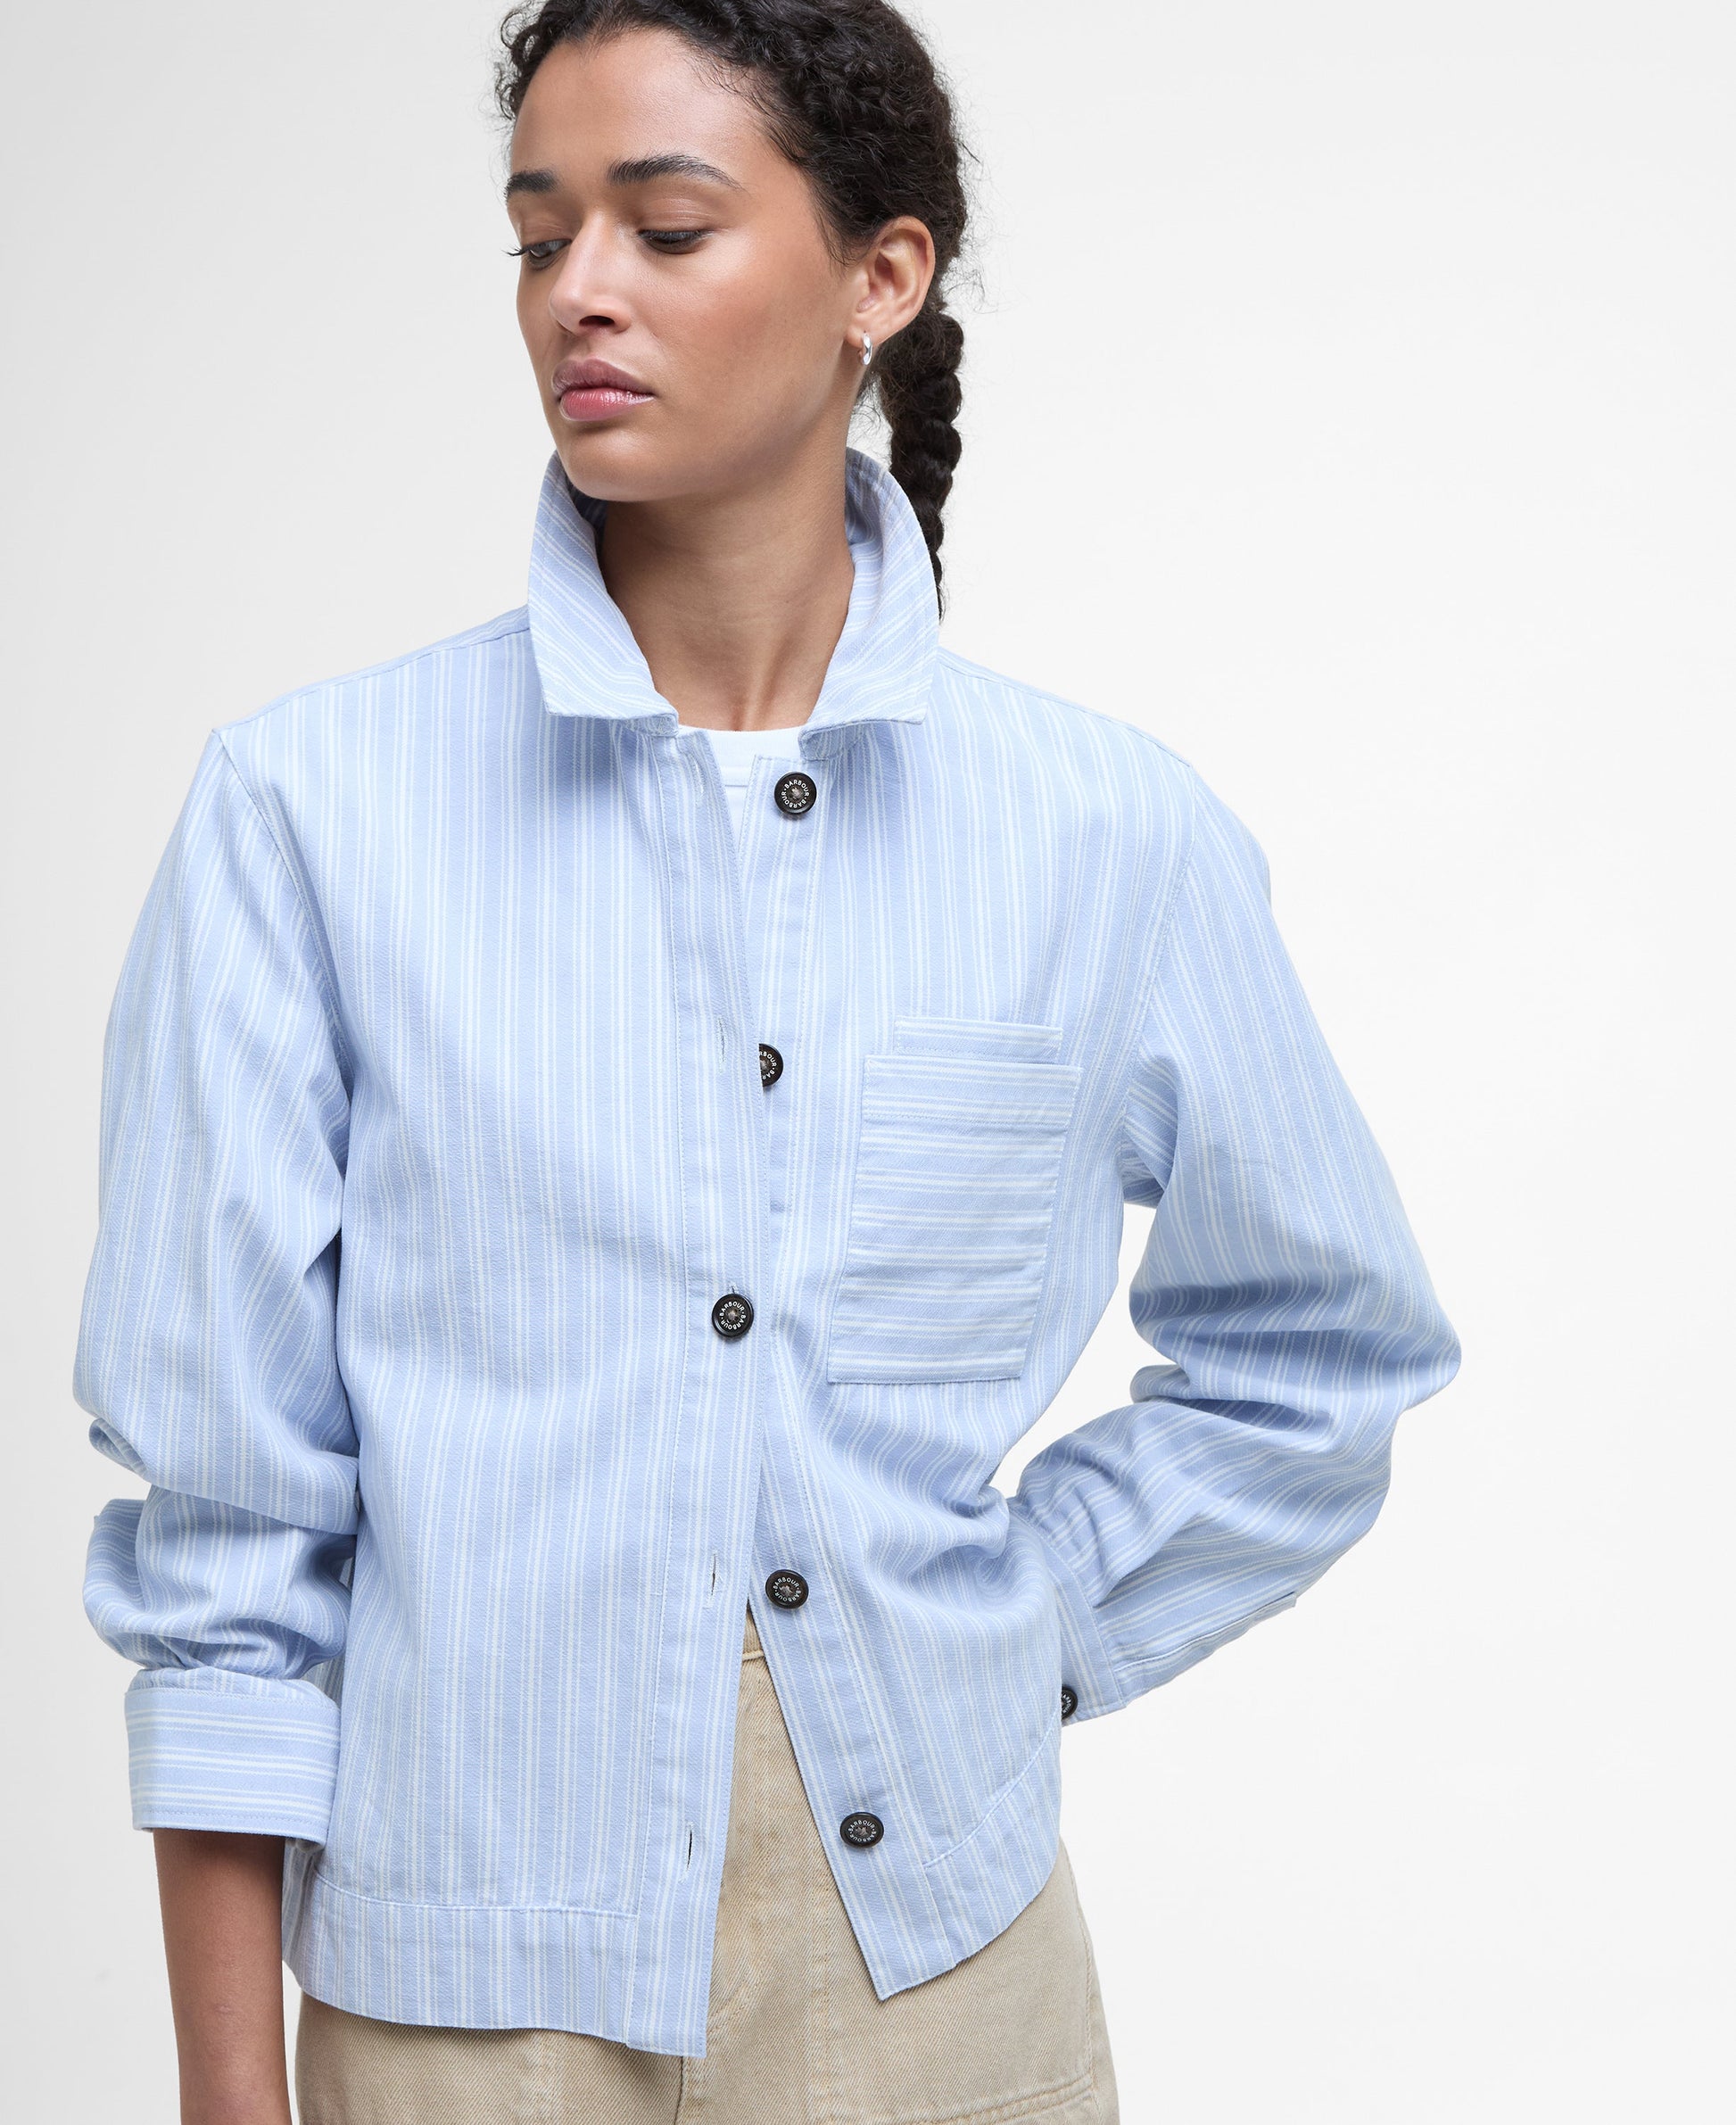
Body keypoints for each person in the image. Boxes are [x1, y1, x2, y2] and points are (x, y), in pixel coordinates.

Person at [73, 3, 1461, 2120]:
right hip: (463, 1999)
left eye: (665, 226)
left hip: (944, 1981)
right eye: (539, 234)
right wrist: (227, 2094)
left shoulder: (1106, 833)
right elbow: (229, 1534)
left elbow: (1322, 1351)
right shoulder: (311, 813)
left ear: (878, 277)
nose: (579, 292)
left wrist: (1020, 1623)